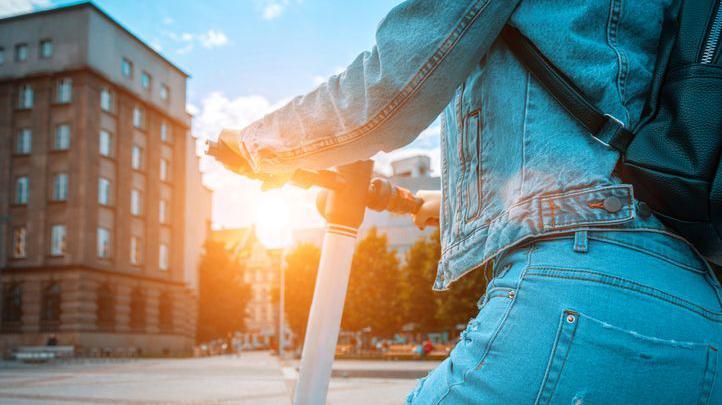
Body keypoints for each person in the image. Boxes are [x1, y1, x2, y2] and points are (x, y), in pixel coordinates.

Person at [217, 1, 722, 403]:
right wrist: (447, 204)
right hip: (699, 316)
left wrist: (258, 143)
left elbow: (390, 88)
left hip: (576, 291)